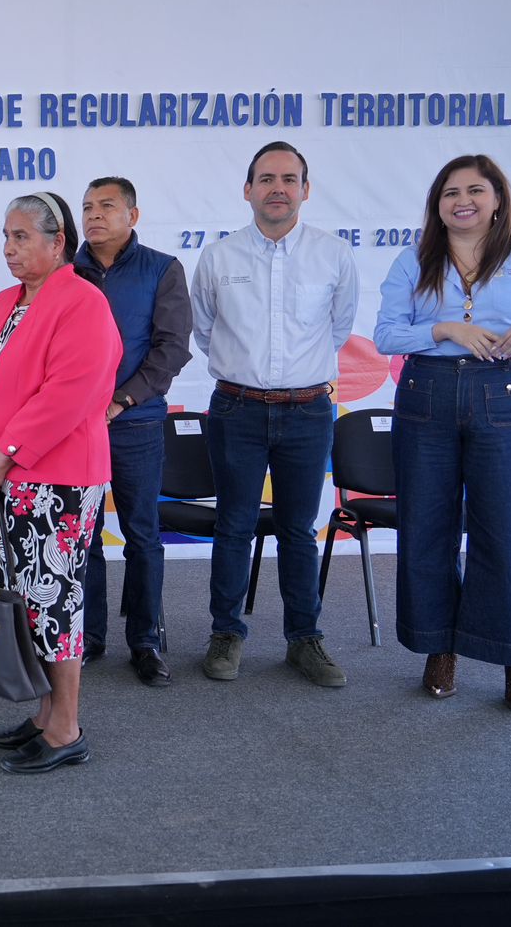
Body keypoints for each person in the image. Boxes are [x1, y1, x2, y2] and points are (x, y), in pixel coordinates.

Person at [373, 155, 511, 712]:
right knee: (427, 529)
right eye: (449, 192)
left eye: (475, 190)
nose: (462, 200)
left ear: (497, 201)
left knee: (505, 532)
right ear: (437, 206)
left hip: (502, 397)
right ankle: (439, 649)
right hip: (426, 397)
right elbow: (387, 335)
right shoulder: (414, 261)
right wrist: (444, 328)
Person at [0, 193, 121, 773]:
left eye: (22, 236)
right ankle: (44, 715)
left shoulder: (84, 303)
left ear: (58, 243)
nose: (9, 248)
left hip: (57, 481)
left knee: (54, 603)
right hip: (2, 479)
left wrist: (3, 456)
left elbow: (67, 397)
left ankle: (66, 728)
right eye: (6, 235)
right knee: (25, 604)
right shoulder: (4, 303)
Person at [189, 141, 358, 687]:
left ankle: (304, 639)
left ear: (306, 190)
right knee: (234, 526)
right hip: (237, 408)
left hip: (309, 411)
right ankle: (226, 633)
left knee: (297, 530)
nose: (277, 188)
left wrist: (295, 377)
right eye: (266, 179)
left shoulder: (333, 255)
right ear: (248, 190)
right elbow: (205, 329)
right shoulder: (218, 258)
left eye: (289, 179)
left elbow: (337, 328)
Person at [74, 177, 192, 686]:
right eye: (87, 207)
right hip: (76, 428)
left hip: (136, 422)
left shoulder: (162, 269)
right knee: (81, 537)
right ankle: (89, 636)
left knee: (142, 534)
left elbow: (171, 348)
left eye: (106, 206)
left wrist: (122, 400)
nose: (94, 215)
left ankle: (145, 640)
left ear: (133, 216)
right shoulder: (65, 271)